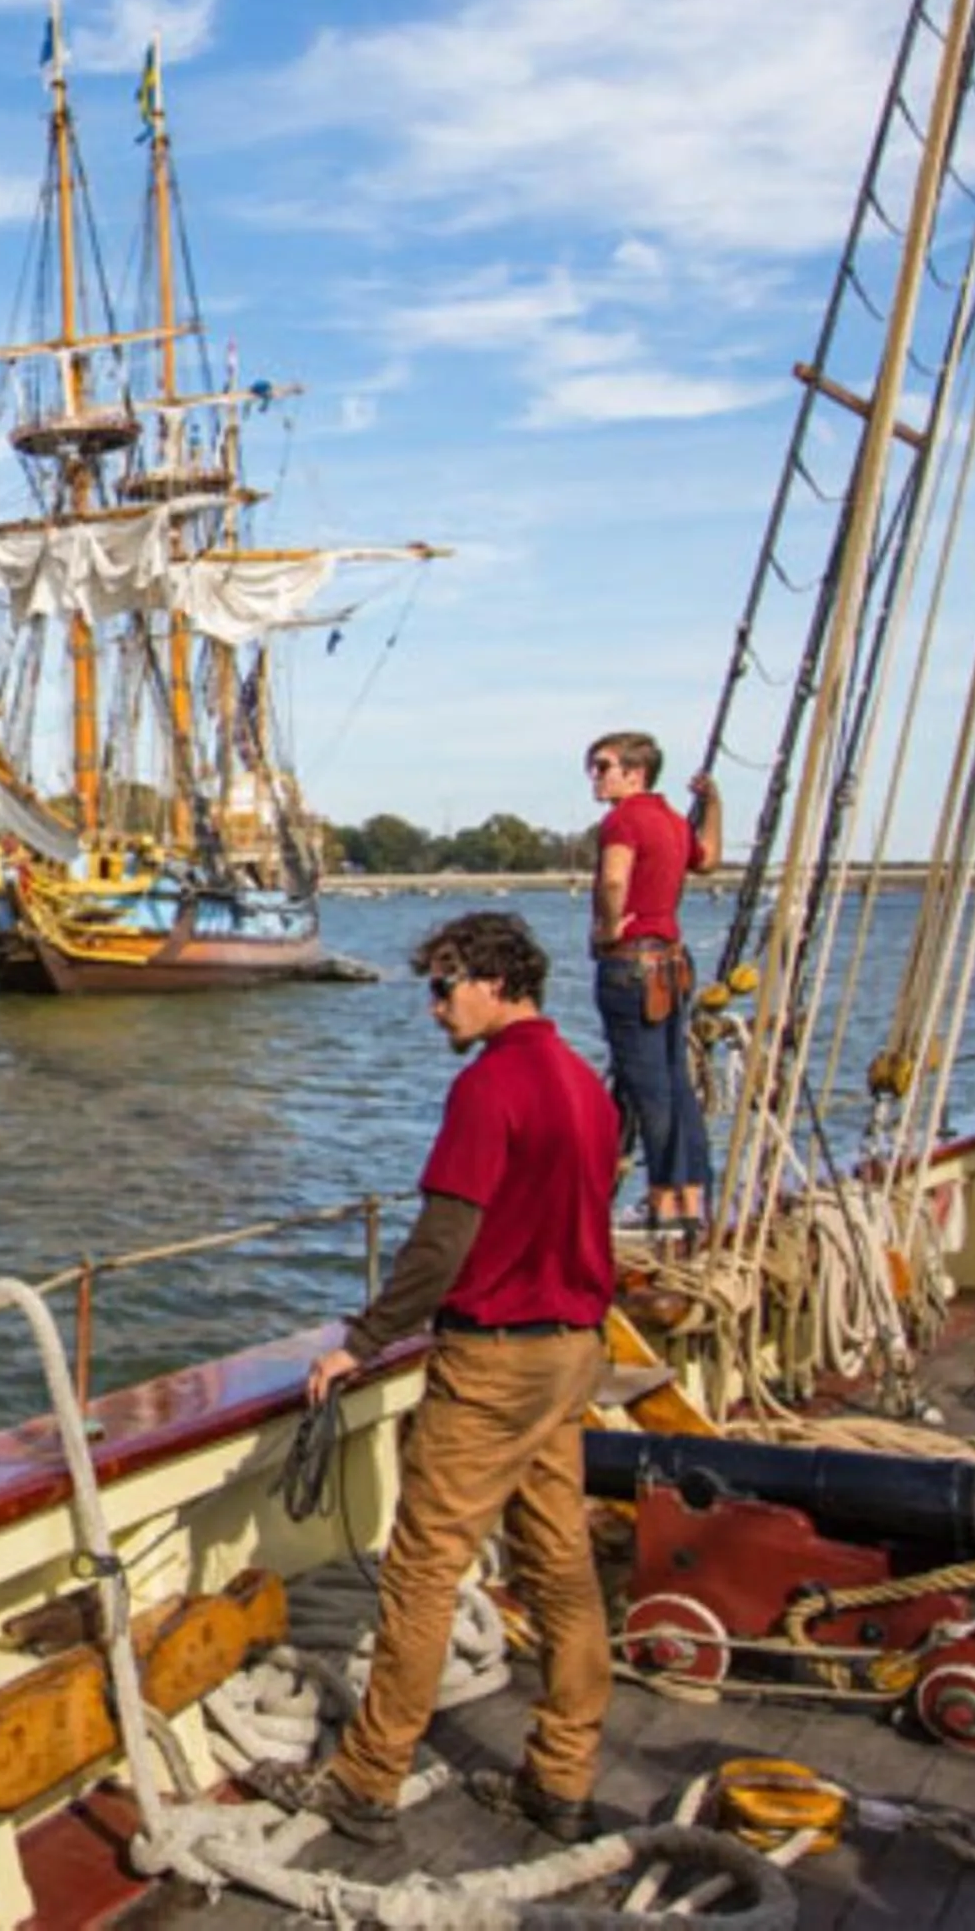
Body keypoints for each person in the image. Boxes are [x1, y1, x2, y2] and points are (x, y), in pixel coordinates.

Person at [251, 911, 621, 1850]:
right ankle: (563, 1776)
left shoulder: (490, 1088)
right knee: (559, 1562)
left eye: (444, 985)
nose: (433, 1007)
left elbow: (444, 1242)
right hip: (573, 1347)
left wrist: (363, 1339)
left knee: (421, 1571)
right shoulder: (584, 1085)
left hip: (494, 1362)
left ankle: (369, 1781)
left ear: (496, 981)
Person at [585, 731, 721, 1229]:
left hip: (631, 966)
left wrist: (606, 926)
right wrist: (713, 805)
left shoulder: (622, 821)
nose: (595, 777)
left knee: (648, 1090)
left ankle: (665, 1204)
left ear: (635, 773)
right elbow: (708, 859)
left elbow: (616, 877)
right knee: (676, 1083)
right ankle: (694, 1195)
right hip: (672, 965)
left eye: (604, 767)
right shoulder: (671, 822)